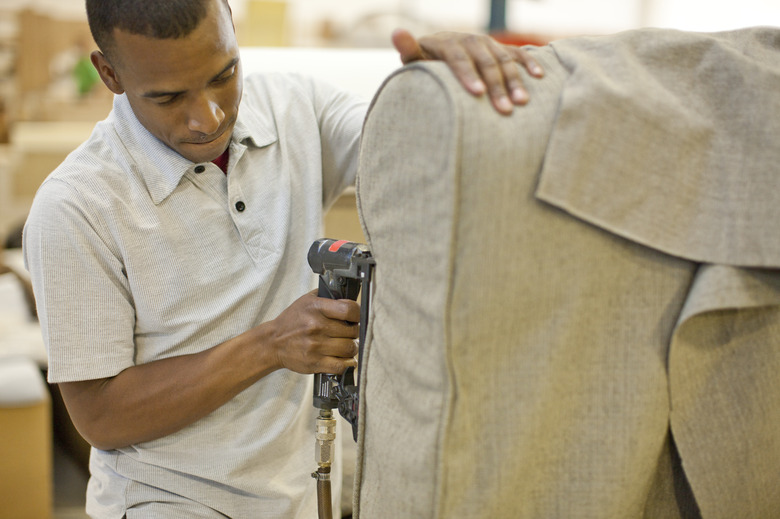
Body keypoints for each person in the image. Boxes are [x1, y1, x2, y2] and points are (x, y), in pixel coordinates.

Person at [22, 0, 543, 517]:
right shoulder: (76, 206)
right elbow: (102, 416)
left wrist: (436, 93)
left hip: (299, 495)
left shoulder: (297, 108)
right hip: (168, 503)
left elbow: (412, 149)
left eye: (224, 74)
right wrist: (271, 345)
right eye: (169, 97)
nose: (208, 117)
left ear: (229, 21)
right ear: (109, 73)